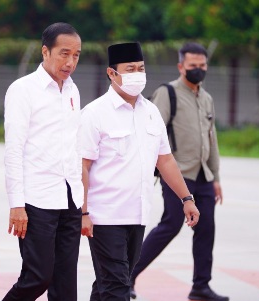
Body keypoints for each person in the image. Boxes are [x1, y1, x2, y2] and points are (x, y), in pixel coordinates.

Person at [80, 42, 200, 301]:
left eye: (141, 68)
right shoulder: (95, 113)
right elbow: (83, 166)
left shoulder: (151, 112)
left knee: (107, 283)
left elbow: (165, 160)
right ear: (112, 73)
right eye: (130, 69)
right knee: (117, 287)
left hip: (137, 214)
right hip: (104, 217)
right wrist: (84, 212)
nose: (137, 74)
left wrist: (186, 198)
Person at [130, 42, 228, 301]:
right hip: (177, 174)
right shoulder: (168, 93)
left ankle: (201, 287)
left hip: (203, 175)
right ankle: (128, 275)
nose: (199, 69)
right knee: (170, 225)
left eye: (203, 65)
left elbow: (212, 138)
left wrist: (216, 177)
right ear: (181, 66)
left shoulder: (206, 98)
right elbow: (152, 132)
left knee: (207, 229)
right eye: (193, 65)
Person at [3, 22, 84, 301]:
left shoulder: (73, 91)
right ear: (45, 51)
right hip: (36, 201)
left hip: (70, 199)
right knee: (38, 277)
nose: (70, 61)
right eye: (64, 53)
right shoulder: (23, 90)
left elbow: (74, 147)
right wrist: (17, 204)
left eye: (76, 55)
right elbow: (14, 150)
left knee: (65, 284)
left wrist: (82, 201)